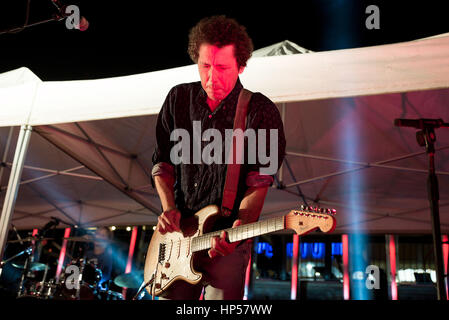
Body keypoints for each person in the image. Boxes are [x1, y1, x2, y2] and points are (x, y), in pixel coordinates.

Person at [151, 15, 286, 300]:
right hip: (177, 240)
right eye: (205, 66)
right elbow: (162, 164)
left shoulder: (260, 111)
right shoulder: (177, 99)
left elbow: (259, 182)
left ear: (242, 65)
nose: (212, 78)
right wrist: (168, 208)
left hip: (226, 243)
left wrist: (242, 224)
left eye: (223, 67)